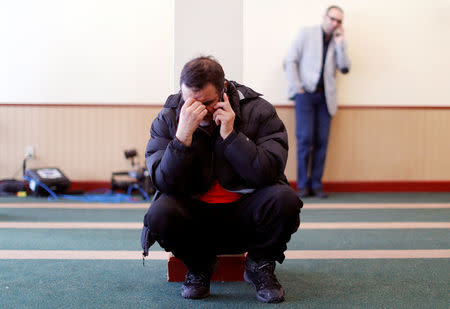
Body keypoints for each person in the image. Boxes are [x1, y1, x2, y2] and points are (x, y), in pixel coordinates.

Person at [141, 56, 302, 303]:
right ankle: (199, 267)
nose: (198, 111)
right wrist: (182, 137)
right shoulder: (170, 117)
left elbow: (269, 171)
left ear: (224, 89)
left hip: (246, 216)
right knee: (159, 213)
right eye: (190, 102)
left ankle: (260, 265)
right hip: (195, 220)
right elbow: (163, 182)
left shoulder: (258, 111)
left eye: (206, 102)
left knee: (286, 199)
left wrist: (231, 137)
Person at [284, 5, 351, 198]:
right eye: (332, 18)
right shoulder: (306, 33)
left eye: (339, 21)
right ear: (324, 17)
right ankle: (303, 185)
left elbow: (345, 67)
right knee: (305, 139)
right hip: (305, 95)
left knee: (322, 141)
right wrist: (298, 87)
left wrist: (341, 43)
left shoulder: (338, 41)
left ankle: (316, 184)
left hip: (325, 98)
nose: (335, 23)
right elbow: (290, 61)